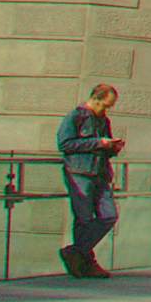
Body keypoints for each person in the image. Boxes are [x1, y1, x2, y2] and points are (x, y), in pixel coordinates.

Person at [55, 81, 124, 279]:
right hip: (79, 173)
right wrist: (97, 142)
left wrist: (112, 147)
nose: (106, 110)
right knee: (84, 219)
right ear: (95, 99)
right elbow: (65, 143)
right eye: (104, 105)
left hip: (100, 173)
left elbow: (105, 146)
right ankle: (85, 261)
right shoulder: (76, 116)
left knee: (109, 215)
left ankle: (76, 252)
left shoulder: (104, 121)